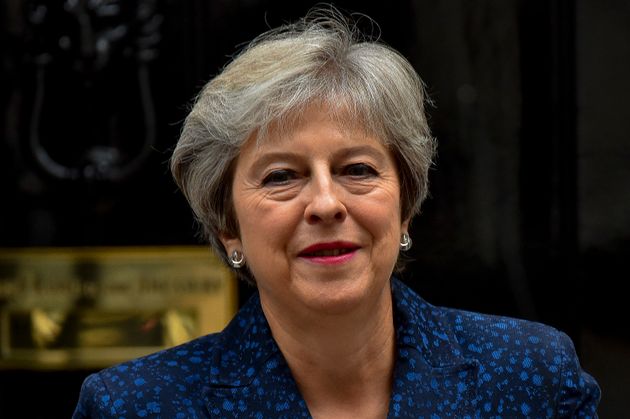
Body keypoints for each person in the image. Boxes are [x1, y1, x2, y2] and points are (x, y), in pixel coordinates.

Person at [73, 7, 600, 418]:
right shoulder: (136, 406)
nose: (326, 203)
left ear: (407, 207)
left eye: (357, 170)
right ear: (227, 226)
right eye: (282, 176)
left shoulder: (532, 376)